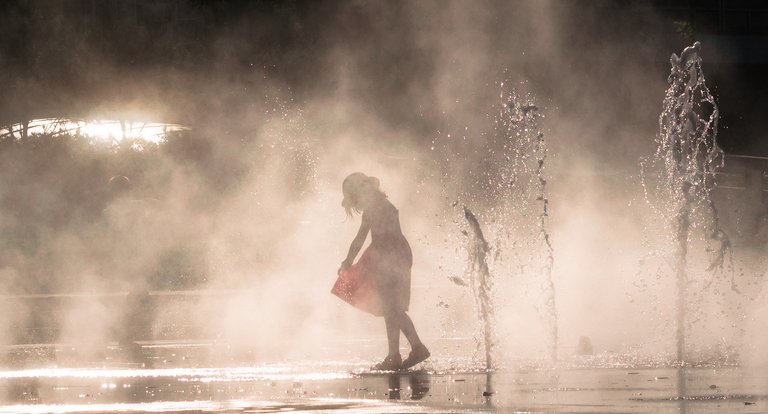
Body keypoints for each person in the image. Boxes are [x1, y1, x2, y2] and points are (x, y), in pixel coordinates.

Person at [337, 172, 430, 370]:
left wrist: (348, 261)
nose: (355, 203)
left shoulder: (375, 208)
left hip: (390, 257)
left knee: (393, 308)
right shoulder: (381, 205)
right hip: (394, 255)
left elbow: (360, 239)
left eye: (354, 198)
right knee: (392, 308)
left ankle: (414, 348)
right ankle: (395, 355)